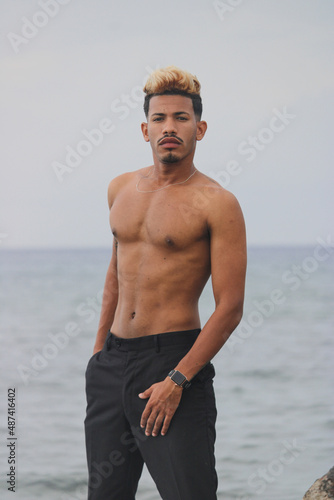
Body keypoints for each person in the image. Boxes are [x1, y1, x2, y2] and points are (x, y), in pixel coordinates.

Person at [84, 65, 247, 500]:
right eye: (159, 119)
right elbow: (115, 276)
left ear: (200, 128)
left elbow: (230, 307)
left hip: (173, 360)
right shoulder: (120, 189)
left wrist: (178, 380)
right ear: (145, 129)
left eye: (181, 118)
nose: (169, 128)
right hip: (111, 366)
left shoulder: (218, 204)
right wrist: (98, 355)